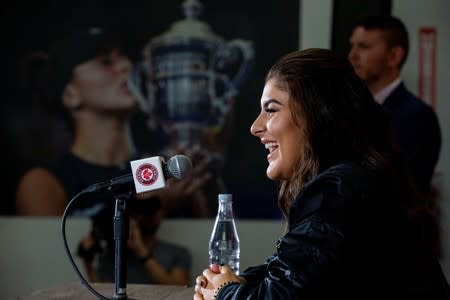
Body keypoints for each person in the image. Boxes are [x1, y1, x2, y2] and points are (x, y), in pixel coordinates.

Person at [193, 48, 450, 299]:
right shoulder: (355, 179)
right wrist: (235, 282)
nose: (255, 127)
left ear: (318, 116)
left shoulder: (338, 190)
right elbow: (292, 272)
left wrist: (223, 292)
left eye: (271, 110)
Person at [14, 26, 212, 219]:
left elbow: (210, 243)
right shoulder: (45, 183)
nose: (126, 65)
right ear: (70, 94)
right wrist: (154, 210)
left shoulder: (165, 169)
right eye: (105, 62)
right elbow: (51, 251)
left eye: (124, 58)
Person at [348, 15, 442, 203]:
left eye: (364, 47)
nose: (352, 55)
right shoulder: (348, 111)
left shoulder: (418, 117)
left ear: (394, 56)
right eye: (352, 46)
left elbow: (406, 190)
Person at [78, 195, 191, 285]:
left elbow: (180, 288)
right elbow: (104, 292)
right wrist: (88, 261)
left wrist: (141, 251)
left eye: (151, 210)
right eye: (138, 211)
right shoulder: (115, 255)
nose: (146, 216)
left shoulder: (177, 253)